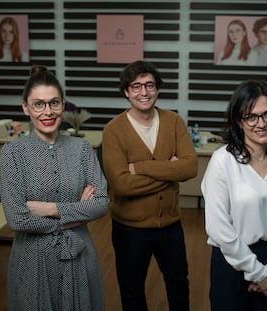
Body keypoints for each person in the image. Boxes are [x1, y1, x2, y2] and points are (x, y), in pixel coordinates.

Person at [0, 65, 108, 310]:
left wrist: (50, 209)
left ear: (62, 105)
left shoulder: (81, 148)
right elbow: (17, 219)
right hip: (34, 262)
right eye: (38, 104)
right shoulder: (12, 153)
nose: (47, 112)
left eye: (54, 103)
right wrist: (76, 212)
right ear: (25, 107)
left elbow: (101, 203)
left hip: (79, 259)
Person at [102, 60, 198, 311]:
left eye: (149, 85)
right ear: (126, 91)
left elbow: (189, 168)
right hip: (129, 230)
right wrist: (170, 171)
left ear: (157, 89)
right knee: (132, 290)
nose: (143, 92)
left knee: (178, 284)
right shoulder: (113, 130)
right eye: (136, 86)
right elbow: (121, 185)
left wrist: (140, 167)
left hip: (170, 225)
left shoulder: (174, 121)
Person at [201, 80, 267, 310]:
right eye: (251, 117)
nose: (261, 123)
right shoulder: (222, 161)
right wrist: (257, 273)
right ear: (238, 121)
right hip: (232, 261)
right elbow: (218, 227)